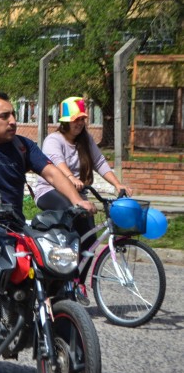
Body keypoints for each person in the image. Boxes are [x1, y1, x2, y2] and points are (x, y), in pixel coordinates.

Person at [0, 93, 95, 360]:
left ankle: (75, 348)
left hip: (13, 223)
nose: (13, 121)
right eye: (5, 116)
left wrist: (76, 200)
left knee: (47, 260)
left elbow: (51, 172)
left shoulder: (23, 147)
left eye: (13, 114)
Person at [35, 96, 133, 304]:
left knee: (89, 238)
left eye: (82, 118)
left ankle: (77, 282)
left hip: (77, 194)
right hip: (49, 191)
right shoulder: (54, 140)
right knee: (71, 226)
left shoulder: (85, 140)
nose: (80, 123)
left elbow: (100, 162)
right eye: (75, 119)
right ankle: (58, 275)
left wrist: (118, 184)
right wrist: (71, 179)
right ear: (65, 121)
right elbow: (57, 165)